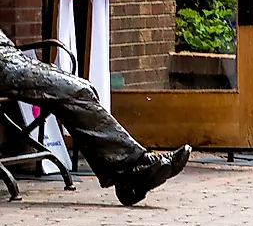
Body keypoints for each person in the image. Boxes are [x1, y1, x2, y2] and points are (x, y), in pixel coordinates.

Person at [0, 27, 191, 204]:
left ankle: (129, 172)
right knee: (77, 90)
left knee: (82, 89)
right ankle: (132, 168)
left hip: (11, 57)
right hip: (6, 64)